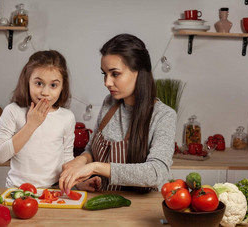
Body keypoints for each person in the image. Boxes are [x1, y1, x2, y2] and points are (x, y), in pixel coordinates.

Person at [59, 34, 176, 194]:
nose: (107, 82)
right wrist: (81, 160)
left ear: (139, 72)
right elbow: (91, 149)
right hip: (102, 202)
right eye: (104, 74)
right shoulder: (110, 103)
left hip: (139, 209)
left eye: (115, 74)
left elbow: (156, 173)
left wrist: (95, 167)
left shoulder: (163, 116)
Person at [0, 50, 76, 188]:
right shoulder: (13, 111)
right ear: (27, 81)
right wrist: (31, 125)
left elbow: (67, 158)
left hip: (52, 192)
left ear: (63, 87)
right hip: (17, 191)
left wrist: (80, 181)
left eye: (53, 85)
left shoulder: (67, 117)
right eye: (39, 83)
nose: (45, 92)